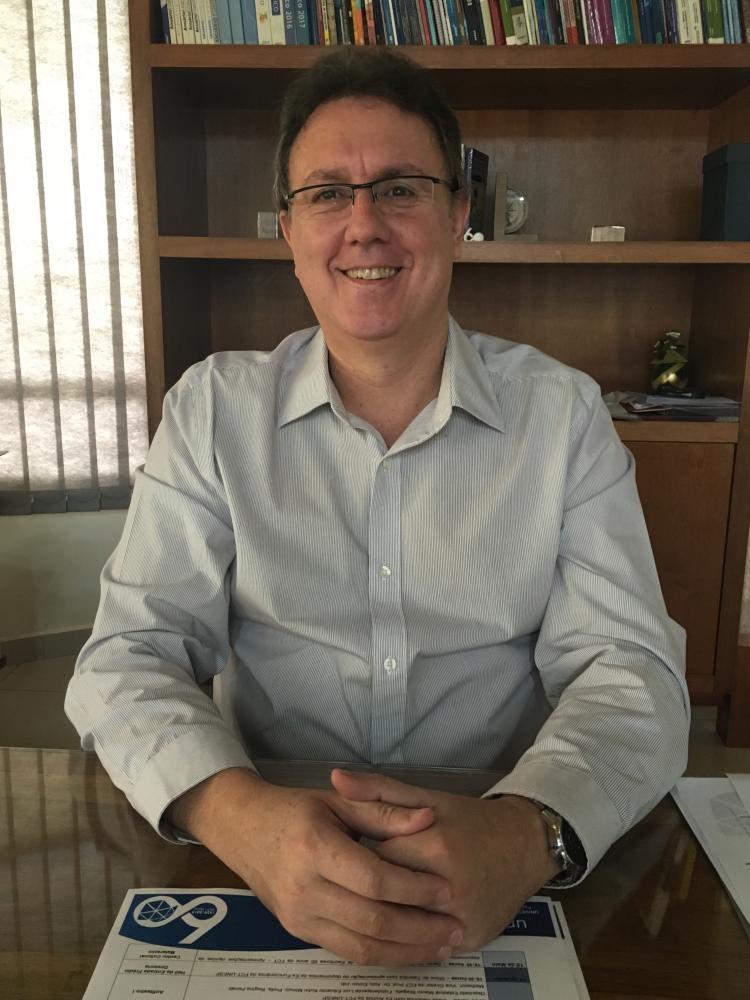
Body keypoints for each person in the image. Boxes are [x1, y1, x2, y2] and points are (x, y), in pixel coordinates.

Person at [66, 47, 689, 967]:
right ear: (289, 229)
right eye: (328, 194)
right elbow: (128, 655)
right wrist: (234, 815)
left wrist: (529, 832)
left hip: (493, 841)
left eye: (400, 189)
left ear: (458, 213)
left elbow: (631, 670)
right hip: (266, 846)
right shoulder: (212, 411)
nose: (364, 226)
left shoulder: (563, 415)